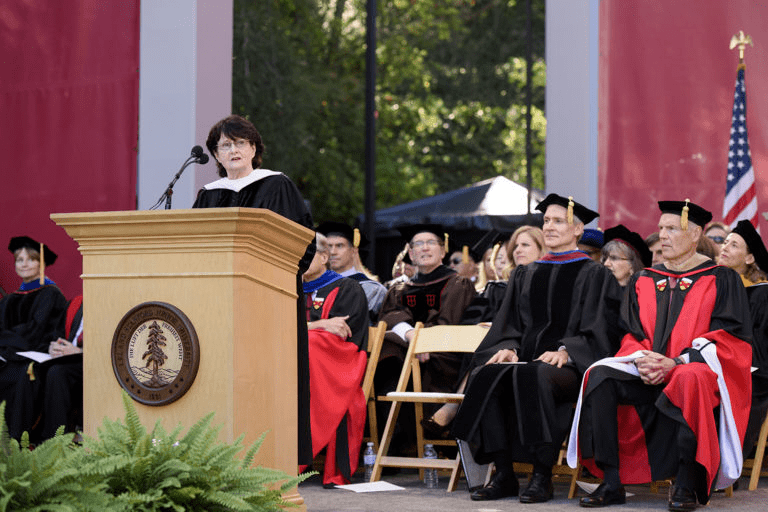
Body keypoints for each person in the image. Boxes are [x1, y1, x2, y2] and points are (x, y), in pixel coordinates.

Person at [568, 200, 752, 511]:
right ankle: (611, 481)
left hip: (692, 368)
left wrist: (678, 361)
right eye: (660, 229)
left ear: (694, 235)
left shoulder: (722, 278)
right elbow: (630, 332)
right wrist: (641, 357)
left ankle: (685, 482)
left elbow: (729, 338)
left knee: (689, 377)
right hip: (647, 367)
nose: (662, 236)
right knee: (599, 376)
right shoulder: (645, 279)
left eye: (671, 229)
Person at [452, 194, 622, 503]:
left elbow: (603, 329)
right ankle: (503, 474)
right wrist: (507, 347)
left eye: (559, 221)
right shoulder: (525, 273)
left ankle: (541, 475)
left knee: (537, 376)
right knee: (484, 375)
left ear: (578, 230)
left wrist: (568, 350)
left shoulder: (594, 274)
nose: (550, 227)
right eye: (546, 221)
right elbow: (509, 324)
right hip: (527, 361)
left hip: (571, 369)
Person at [192, 114, 316, 465]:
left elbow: (301, 243)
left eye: (240, 143)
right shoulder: (208, 196)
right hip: (218, 304)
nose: (233, 150)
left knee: (262, 378)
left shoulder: (277, 186)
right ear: (215, 155)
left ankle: (269, 456)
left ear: (254, 148)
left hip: (268, 300)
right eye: (225, 145)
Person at [374, 224, 476, 449]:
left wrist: (424, 343)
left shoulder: (458, 284)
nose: (425, 248)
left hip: (445, 356)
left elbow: (450, 322)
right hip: (406, 354)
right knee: (386, 363)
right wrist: (410, 335)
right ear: (410, 254)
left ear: (443, 251)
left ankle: (428, 438)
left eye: (431, 243)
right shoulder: (399, 289)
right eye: (418, 244)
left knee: (402, 366)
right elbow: (389, 316)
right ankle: (396, 442)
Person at [299, 234, 369, 486]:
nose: (299, 261)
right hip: (294, 367)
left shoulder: (347, 288)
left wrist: (305, 332)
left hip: (336, 365)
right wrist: (317, 325)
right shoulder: (287, 287)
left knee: (312, 343)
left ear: (324, 258)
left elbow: (344, 336)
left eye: (306, 255)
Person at [0, 236, 68, 439]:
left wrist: (9, 342)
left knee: (21, 375)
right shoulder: (10, 298)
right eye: (19, 260)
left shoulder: (50, 294)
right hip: (9, 354)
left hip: (35, 354)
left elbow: (36, 331)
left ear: (42, 263)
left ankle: (18, 438)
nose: (24, 264)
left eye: (30, 259)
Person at [716, 220, 768, 459]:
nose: (725, 247)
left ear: (749, 258)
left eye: (734, 245)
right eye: (725, 242)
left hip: (751, 368)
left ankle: (727, 465)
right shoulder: (711, 284)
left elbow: (759, 342)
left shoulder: (761, 293)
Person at [316, 221, 387, 324]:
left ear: (353, 251)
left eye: (339, 246)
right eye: (329, 246)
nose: (333, 252)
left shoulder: (372, 289)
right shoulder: (315, 285)